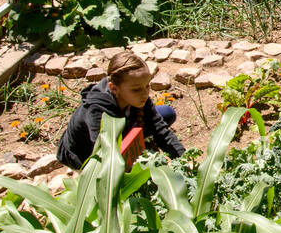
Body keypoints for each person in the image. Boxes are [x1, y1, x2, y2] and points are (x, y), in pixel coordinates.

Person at [57, 52, 185, 169]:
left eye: (147, 86)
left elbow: (160, 128)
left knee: (166, 114)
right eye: (136, 89)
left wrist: (183, 160)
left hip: (123, 126)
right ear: (114, 88)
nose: (145, 93)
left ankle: (137, 140)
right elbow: (106, 155)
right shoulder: (98, 110)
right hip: (85, 152)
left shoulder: (136, 96)